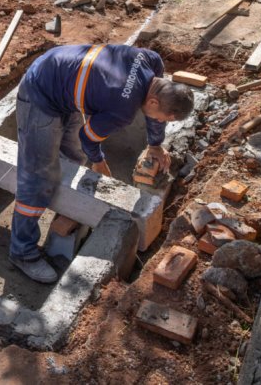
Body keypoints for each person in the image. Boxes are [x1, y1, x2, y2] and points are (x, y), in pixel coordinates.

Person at [11, 44, 194, 283]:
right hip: (41, 94)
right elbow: (88, 137)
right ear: (153, 103)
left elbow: (155, 113)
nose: (158, 121)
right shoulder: (123, 108)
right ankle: (22, 252)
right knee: (38, 177)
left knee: (74, 159)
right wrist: (99, 163)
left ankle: (64, 211)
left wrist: (156, 144)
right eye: (159, 118)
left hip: (62, 70)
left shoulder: (152, 61)